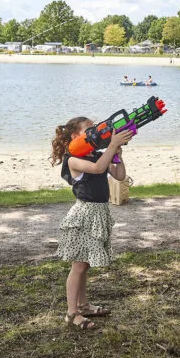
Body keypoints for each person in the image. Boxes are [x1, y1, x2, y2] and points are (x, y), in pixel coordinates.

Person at [49, 118, 133, 331]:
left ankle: (83, 305)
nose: (96, 132)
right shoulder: (72, 160)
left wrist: (118, 156)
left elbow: (120, 175)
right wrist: (112, 145)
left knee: (85, 263)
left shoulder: (97, 155)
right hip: (84, 215)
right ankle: (71, 313)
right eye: (90, 130)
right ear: (75, 137)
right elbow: (96, 169)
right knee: (78, 265)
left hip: (99, 213)